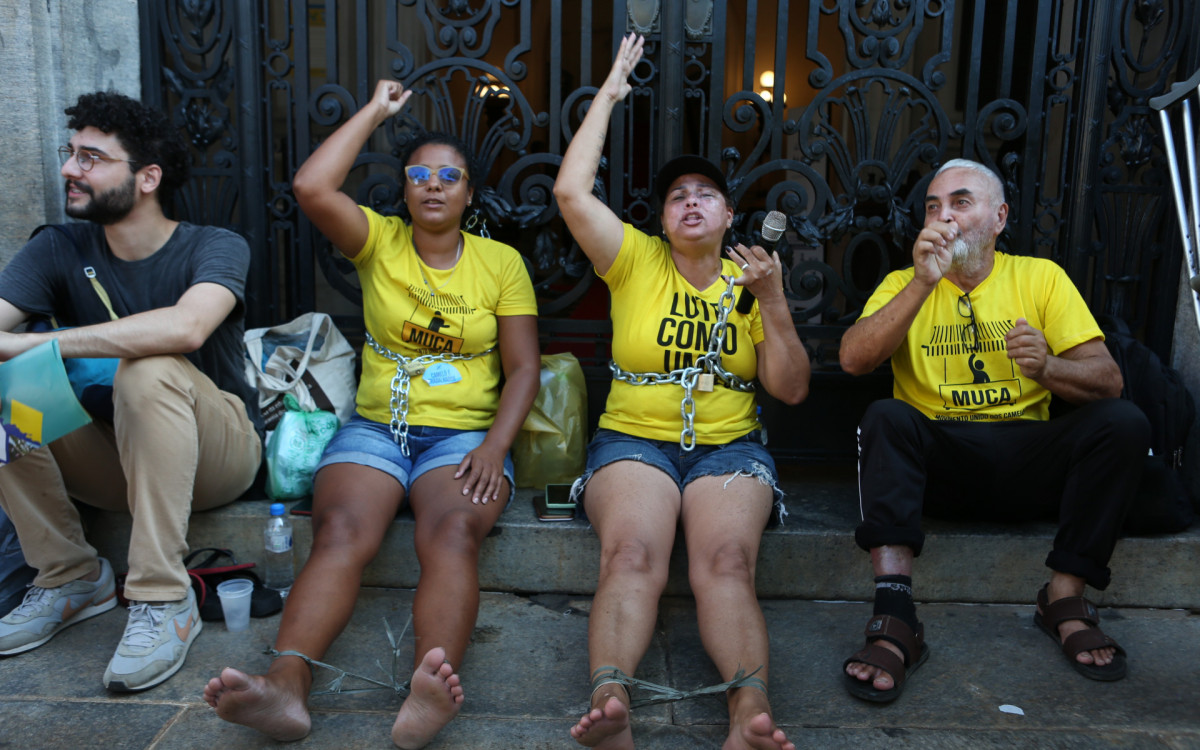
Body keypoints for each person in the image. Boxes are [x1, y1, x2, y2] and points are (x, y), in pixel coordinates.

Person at [203, 78, 540, 748]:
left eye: (451, 175)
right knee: (338, 534)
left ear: (470, 192)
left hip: (464, 436)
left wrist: (496, 447)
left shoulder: (501, 264)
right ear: (406, 190)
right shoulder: (379, 242)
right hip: (377, 429)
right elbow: (311, 188)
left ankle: (428, 685)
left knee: (451, 537)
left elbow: (525, 366)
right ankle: (286, 689)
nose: (435, 185)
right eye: (421, 174)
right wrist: (377, 112)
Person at [553, 34, 808, 750]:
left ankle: (748, 716)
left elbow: (788, 389)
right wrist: (608, 93)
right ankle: (611, 705)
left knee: (726, 564)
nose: (690, 202)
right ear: (662, 221)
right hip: (634, 441)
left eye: (705, 194)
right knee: (631, 553)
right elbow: (571, 192)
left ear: (730, 216)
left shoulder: (753, 277)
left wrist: (776, 302)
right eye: (676, 197)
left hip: (728, 447)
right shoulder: (632, 260)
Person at [838, 158, 1151, 702]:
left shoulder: (1039, 277)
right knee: (884, 417)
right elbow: (853, 360)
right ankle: (895, 615)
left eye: (961, 202)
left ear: (999, 216)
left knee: (1123, 423)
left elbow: (1109, 381)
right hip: (938, 465)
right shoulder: (901, 282)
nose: (945, 217)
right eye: (934, 207)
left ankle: (1064, 597)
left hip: (1027, 459)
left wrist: (1049, 368)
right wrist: (919, 284)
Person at [0, 91, 263, 691]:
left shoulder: (214, 245)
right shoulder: (57, 248)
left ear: (147, 177)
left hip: (218, 456)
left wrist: (43, 345)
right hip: (114, 461)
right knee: (1, 383)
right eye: (70, 154)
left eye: (91, 158)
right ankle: (69, 576)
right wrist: (19, 355)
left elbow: (187, 326)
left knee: (147, 366)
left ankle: (163, 598)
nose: (70, 170)